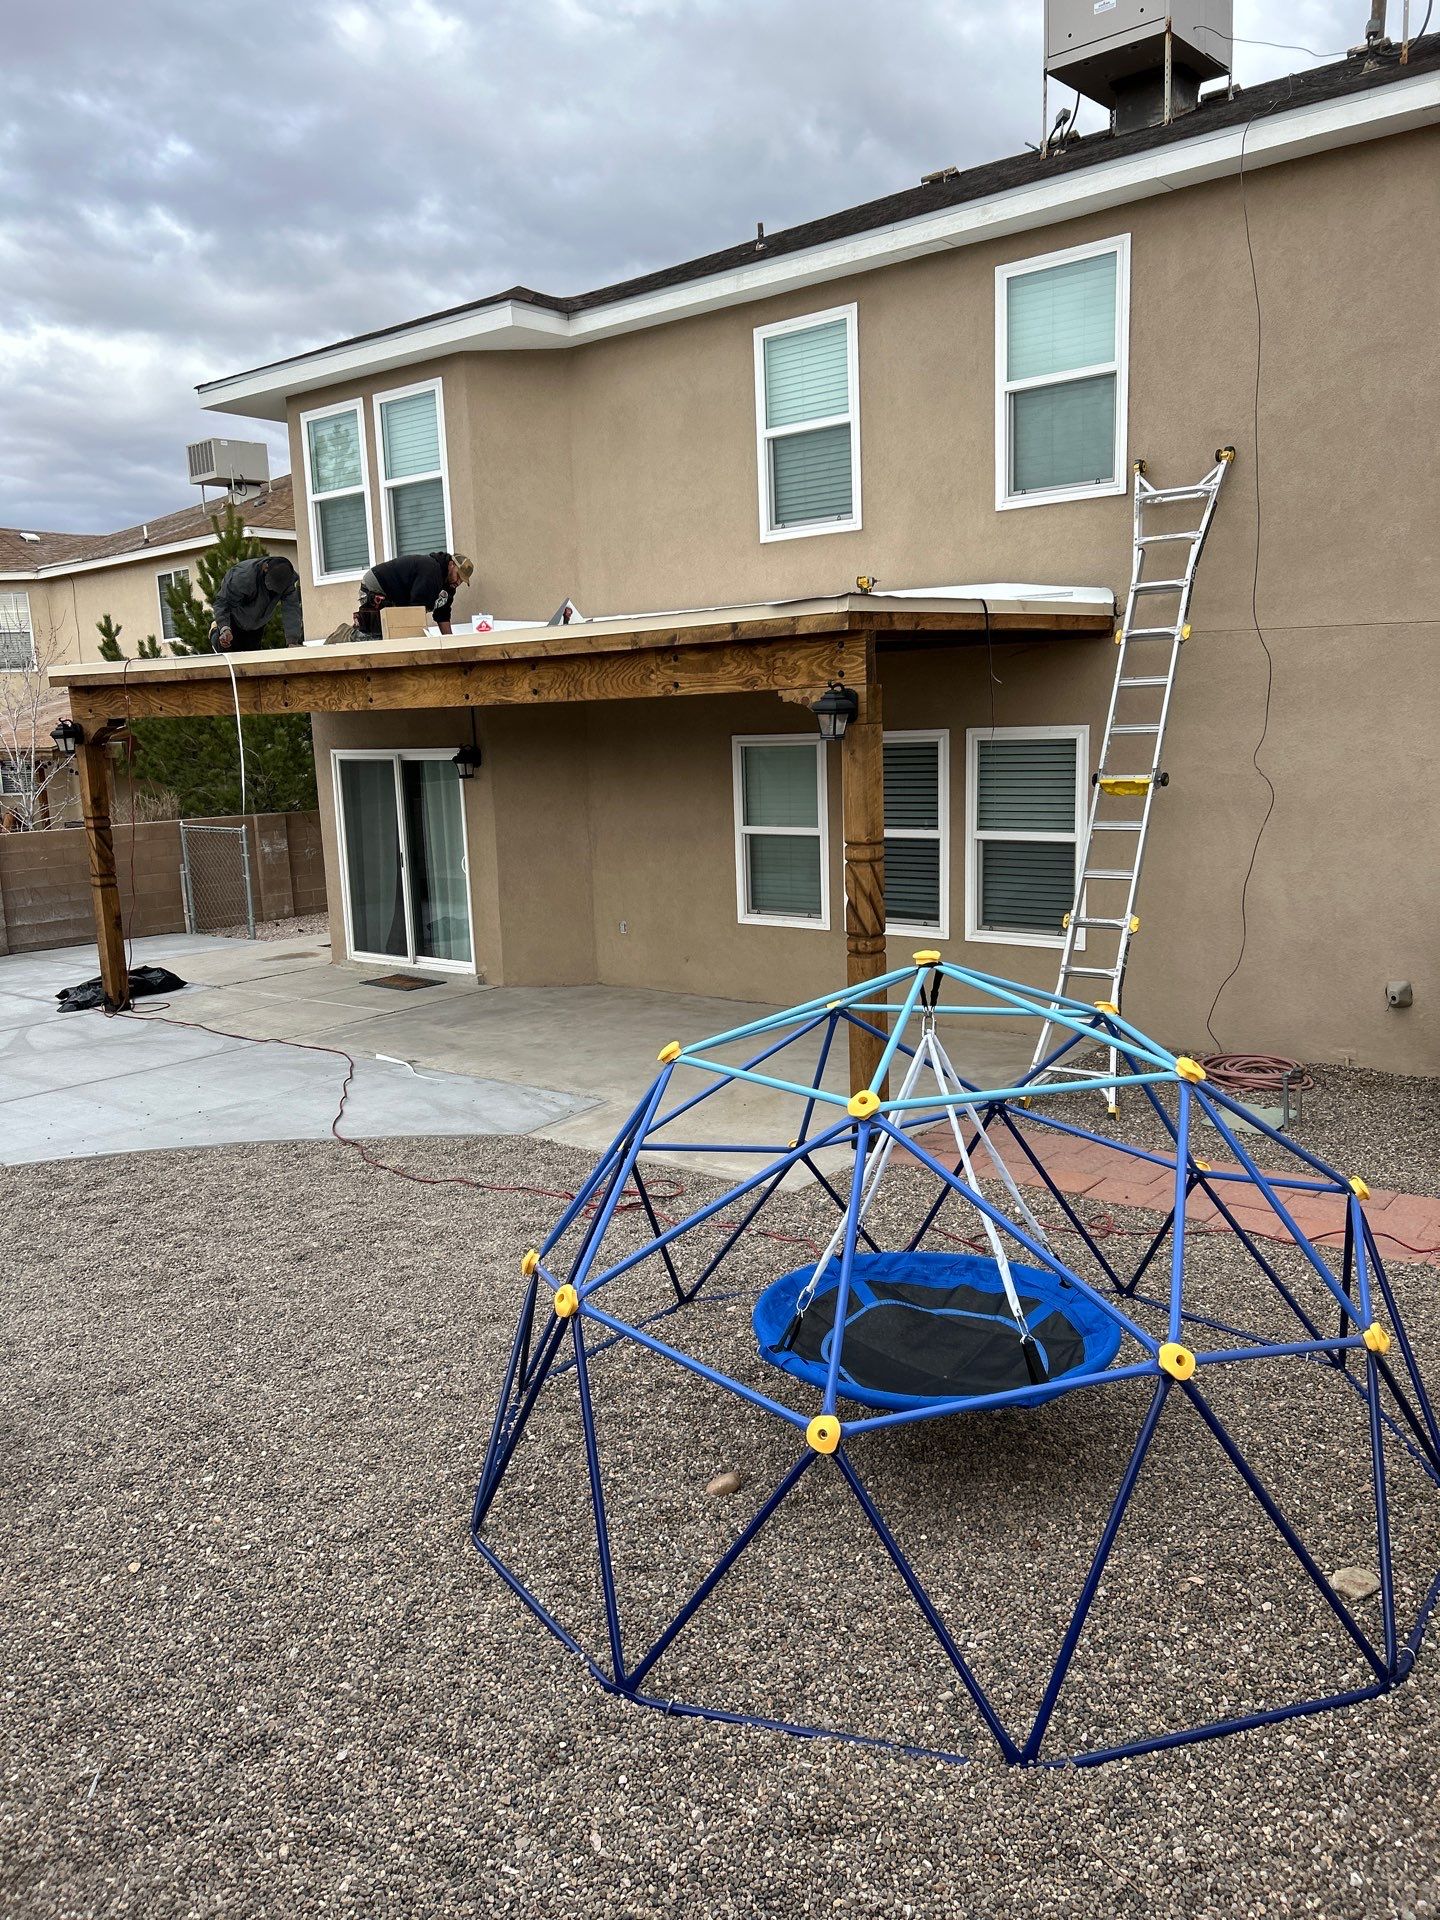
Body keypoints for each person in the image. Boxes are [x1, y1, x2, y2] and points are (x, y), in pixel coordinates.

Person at [354, 551, 474, 638]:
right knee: (382, 633)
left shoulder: (449, 587)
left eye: (462, 581)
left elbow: (443, 614)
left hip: (396, 595)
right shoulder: (432, 571)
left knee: (396, 631)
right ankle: (351, 635)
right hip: (378, 585)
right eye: (458, 576)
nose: (458, 582)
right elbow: (416, 609)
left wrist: (450, 641)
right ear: (451, 565)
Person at [210, 553, 304, 651]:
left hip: (257, 623)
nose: (273, 591)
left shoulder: (288, 580)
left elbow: (291, 609)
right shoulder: (242, 576)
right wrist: (224, 628)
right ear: (265, 568)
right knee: (226, 649)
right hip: (235, 619)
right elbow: (223, 603)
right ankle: (215, 632)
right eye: (271, 586)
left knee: (251, 656)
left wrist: (292, 641)